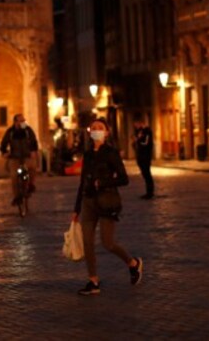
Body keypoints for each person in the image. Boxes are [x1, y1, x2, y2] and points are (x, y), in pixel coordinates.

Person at [72, 118, 143, 296]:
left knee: (108, 243)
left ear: (106, 132)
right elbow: (82, 181)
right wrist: (76, 208)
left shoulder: (111, 153)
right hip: (88, 202)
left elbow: (123, 179)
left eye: (100, 128)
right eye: (93, 127)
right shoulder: (87, 154)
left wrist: (103, 182)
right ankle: (93, 281)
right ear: (89, 132)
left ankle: (133, 263)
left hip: (106, 201)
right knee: (88, 242)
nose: (96, 130)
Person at [0, 114, 39, 205]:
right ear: (16, 122)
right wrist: (4, 152)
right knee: (14, 176)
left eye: (24, 121)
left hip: (27, 156)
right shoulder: (10, 132)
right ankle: (17, 197)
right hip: (14, 157)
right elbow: (4, 143)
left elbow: (34, 141)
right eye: (21, 121)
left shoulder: (28, 130)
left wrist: (33, 151)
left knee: (32, 168)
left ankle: (30, 185)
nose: (23, 123)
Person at [132, 116, 155, 199]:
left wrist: (137, 140)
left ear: (140, 123)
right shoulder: (138, 131)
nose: (135, 126)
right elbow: (135, 144)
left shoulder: (147, 131)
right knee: (144, 174)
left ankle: (150, 192)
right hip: (140, 155)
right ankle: (148, 192)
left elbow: (146, 143)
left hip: (145, 155)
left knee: (147, 174)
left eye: (136, 124)